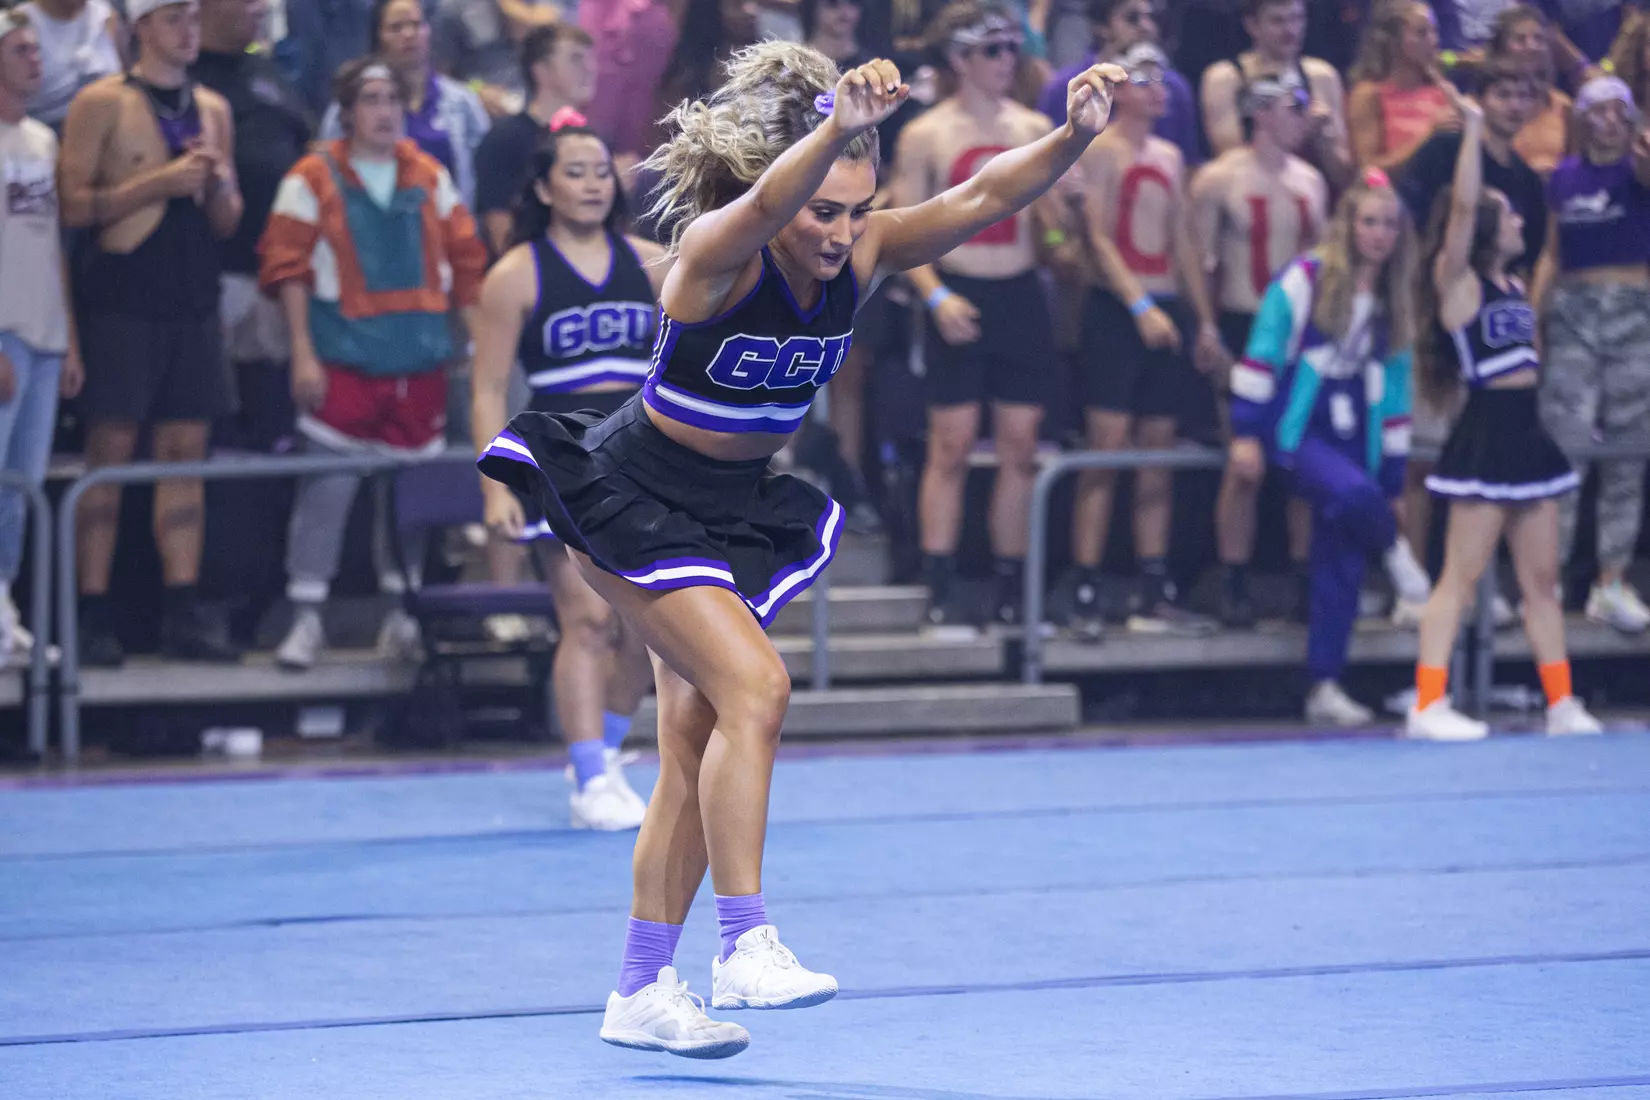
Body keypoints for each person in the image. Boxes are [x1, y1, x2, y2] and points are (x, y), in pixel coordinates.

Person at [479, 42, 1125, 1057]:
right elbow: (771, 208)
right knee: (759, 688)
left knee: (692, 745)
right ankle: (745, 941)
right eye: (824, 210)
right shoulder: (714, 254)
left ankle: (641, 989)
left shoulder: (861, 254)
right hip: (634, 495)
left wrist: (1074, 136)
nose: (841, 233)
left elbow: (986, 193)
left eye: (858, 209)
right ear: (783, 196)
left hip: (732, 509)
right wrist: (828, 129)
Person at [260, 57, 488, 670]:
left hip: (421, 363)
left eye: (393, 98)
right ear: (346, 111)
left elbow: (467, 263)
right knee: (327, 495)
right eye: (372, 99)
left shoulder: (430, 174)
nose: (385, 110)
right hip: (342, 362)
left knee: (410, 505)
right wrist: (302, 355)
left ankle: (402, 618)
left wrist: (471, 343)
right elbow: (287, 271)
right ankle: (306, 617)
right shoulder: (310, 177)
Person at [470, 110, 662, 829]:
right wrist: (494, 486)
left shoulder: (654, 261)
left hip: (644, 458)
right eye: (573, 173)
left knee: (648, 628)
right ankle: (587, 779)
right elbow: (488, 387)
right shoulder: (515, 274)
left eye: (600, 172)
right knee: (582, 618)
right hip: (563, 459)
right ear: (544, 189)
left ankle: (608, 755)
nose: (590, 184)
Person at [1405, 81, 1601, 740]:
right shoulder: (1458, 284)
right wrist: (1473, 132)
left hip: (1528, 431)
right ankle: (1427, 704)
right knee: (1459, 578)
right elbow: (1460, 210)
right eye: (1506, 213)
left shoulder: (1517, 283)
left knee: (1541, 583)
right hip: (1486, 429)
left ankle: (1561, 703)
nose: (1517, 217)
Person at [59, 0, 244, 668]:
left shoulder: (214, 109)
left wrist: (217, 186)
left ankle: (184, 607)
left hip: (192, 296)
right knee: (109, 454)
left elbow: (227, 223)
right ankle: (92, 606)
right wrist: (158, 183)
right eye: (174, 18)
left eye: (194, 17)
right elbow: (73, 205)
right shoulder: (102, 103)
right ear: (140, 27)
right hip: (122, 298)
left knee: (185, 458)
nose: (189, 29)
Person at [1235, 168, 1425, 724]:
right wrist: (1246, 431)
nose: (1379, 234)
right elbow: (1263, 349)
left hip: (1356, 429)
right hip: (1297, 424)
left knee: (1339, 559)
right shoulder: (1305, 278)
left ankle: (1324, 685)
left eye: (1390, 224)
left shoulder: (1396, 298)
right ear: (1348, 223)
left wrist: (1392, 480)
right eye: (1369, 221)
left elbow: (1394, 395)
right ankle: (1401, 563)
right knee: (1349, 495)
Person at [893, 2, 1061, 629]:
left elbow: (1054, 233)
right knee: (951, 447)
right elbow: (900, 233)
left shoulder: (1031, 124)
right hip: (958, 292)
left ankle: (1013, 587)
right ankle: (940, 586)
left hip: (1018, 293)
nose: (1005, 62)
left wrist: (1064, 224)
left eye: (1011, 49)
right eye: (991, 51)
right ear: (960, 59)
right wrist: (935, 296)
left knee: (1020, 450)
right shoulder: (926, 133)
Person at [1067, 42, 1214, 636]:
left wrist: (1199, 320)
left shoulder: (1172, 156)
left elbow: (1181, 242)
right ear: (1121, 89)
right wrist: (1139, 304)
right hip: (1117, 308)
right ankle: (1083, 582)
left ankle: (1153, 585)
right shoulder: (1099, 151)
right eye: (1146, 80)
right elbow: (1095, 239)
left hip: (1163, 304)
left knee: (1156, 451)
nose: (1160, 92)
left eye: (1165, 81)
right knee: (1107, 449)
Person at [1397, 57, 1543, 623]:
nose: (1514, 103)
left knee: (1489, 469)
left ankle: (1475, 583)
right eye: (1503, 91)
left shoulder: (1527, 179)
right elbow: (1444, 220)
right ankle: (1414, 580)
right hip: (1440, 317)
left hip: (1494, 339)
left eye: (1524, 93)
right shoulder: (1443, 152)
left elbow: (1535, 260)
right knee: (1423, 461)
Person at [1187, 70, 1330, 629]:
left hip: (1300, 329)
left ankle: (1300, 579)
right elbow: (1198, 260)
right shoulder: (1220, 179)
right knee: (1244, 465)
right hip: (1247, 325)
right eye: (1295, 108)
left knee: (1300, 461)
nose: (1304, 120)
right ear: (1264, 111)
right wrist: (1205, 326)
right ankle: (1233, 579)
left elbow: (1322, 265)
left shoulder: (1312, 181)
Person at [1529, 76, 1650, 634]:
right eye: (1598, 111)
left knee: (1629, 448)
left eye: (1618, 111)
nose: (1609, 121)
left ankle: (1611, 581)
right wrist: (1533, 316)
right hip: (1574, 312)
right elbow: (1552, 254)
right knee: (1565, 448)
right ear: (1581, 118)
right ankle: (1546, 580)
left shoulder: (1638, 169)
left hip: (1634, 311)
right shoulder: (1563, 178)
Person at [0, 7, 82, 660]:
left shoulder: (43, 141)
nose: (37, 59)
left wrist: (69, 336)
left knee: (23, 483)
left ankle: (4, 604)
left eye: (37, 48)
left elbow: (51, 241)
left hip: (46, 330)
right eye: (21, 49)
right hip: (5, 329)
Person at [322, 0, 490, 210]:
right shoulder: (349, 105)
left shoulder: (462, 101)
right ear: (378, 37)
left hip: (449, 228)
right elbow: (328, 172)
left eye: (417, 24)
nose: (409, 34)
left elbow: (487, 171)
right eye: (396, 27)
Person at [1200, 0, 1355, 190]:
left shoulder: (1321, 76)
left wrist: (1325, 141)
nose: (1291, 31)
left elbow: (1344, 175)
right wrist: (1291, 129)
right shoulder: (1226, 78)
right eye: (1278, 21)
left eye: (1297, 19)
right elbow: (1226, 160)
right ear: (1252, 25)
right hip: (1249, 198)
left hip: (1309, 196)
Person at [473, 22, 597, 254]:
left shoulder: (594, 140)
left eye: (591, 59)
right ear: (542, 70)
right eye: (576, 59)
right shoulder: (504, 139)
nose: (590, 68)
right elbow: (501, 233)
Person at [1036, 0, 1200, 167]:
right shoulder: (1064, 88)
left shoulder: (1174, 88)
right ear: (1102, 27)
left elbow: (1188, 166)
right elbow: (1043, 161)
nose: (1147, 26)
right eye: (1132, 18)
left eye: (1152, 17)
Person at [1348, 1, 1457, 174]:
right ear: (1393, 40)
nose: (1434, 41)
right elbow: (1368, 171)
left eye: (1434, 31)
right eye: (1422, 33)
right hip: (1394, 195)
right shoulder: (1369, 94)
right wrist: (1427, 135)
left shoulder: (1442, 89)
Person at [1490, 4, 1573, 178]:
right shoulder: (1483, 104)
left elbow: (1576, 166)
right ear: (1501, 49)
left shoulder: (1562, 105)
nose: (1532, 46)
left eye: (1539, 39)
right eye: (1520, 40)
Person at [15, 0, 123, 130]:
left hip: (111, 119)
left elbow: (124, 76)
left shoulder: (104, 14)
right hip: (50, 128)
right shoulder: (20, 25)